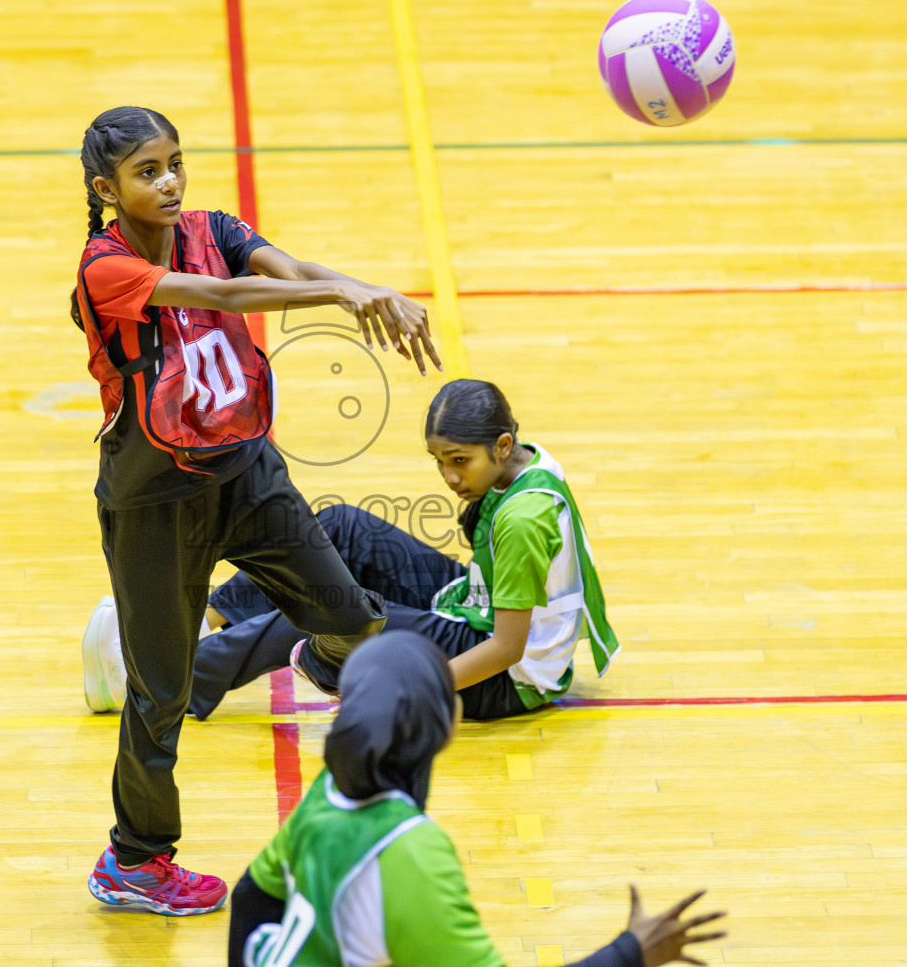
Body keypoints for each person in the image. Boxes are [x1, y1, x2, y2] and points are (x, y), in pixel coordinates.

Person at [71, 105, 442, 917]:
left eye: (175, 163)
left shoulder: (217, 226)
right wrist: (344, 295)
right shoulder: (105, 268)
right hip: (154, 500)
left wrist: (358, 286)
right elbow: (228, 295)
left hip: (246, 474)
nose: (169, 182)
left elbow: (279, 266)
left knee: (352, 620)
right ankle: (133, 860)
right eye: (146, 172)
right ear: (107, 189)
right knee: (160, 696)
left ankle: (311, 659)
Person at [226, 632, 727, 967]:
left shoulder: (328, 791)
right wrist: (630, 951)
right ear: (450, 723)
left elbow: (251, 895)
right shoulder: (409, 853)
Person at [181, 378, 619, 721]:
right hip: (472, 604)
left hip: (503, 679)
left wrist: (412, 687)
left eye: (459, 460)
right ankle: (202, 621)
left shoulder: (524, 519)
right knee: (341, 526)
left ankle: (172, 683)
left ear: (502, 445)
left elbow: (507, 649)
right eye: (439, 460)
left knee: (334, 613)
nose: (448, 477)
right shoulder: (528, 459)